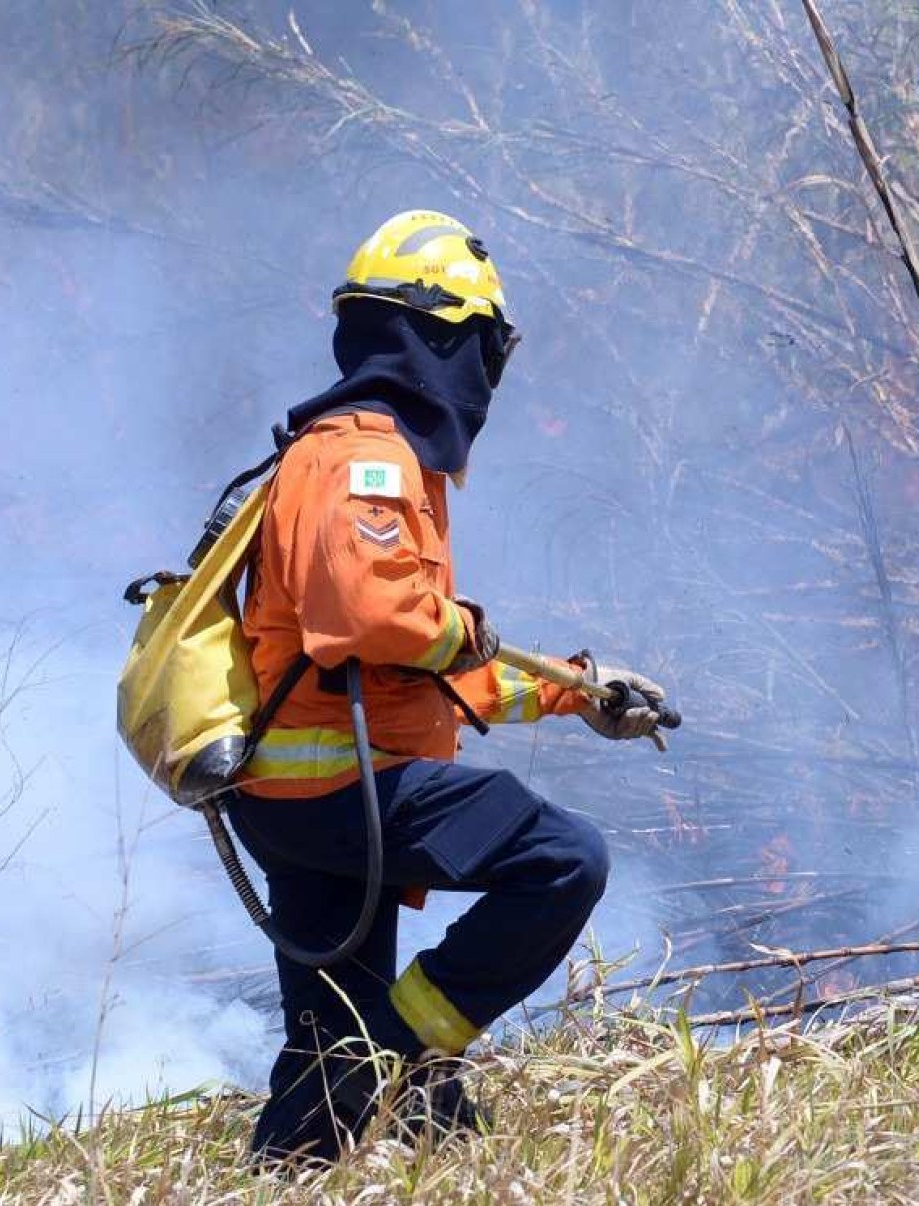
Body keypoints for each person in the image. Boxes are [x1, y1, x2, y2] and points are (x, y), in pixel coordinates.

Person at [229, 209, 667, 1165]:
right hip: (342, 792)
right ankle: (407, 1057)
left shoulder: (358, 458)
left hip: (307, 794)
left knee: (326, 1054)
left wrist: (578, 693)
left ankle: (307, 1149)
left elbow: (414, 671)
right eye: (483, 345)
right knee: (562, 859)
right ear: (439, 339)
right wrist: (466, 625)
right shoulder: (365, 458)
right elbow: (382, 619)